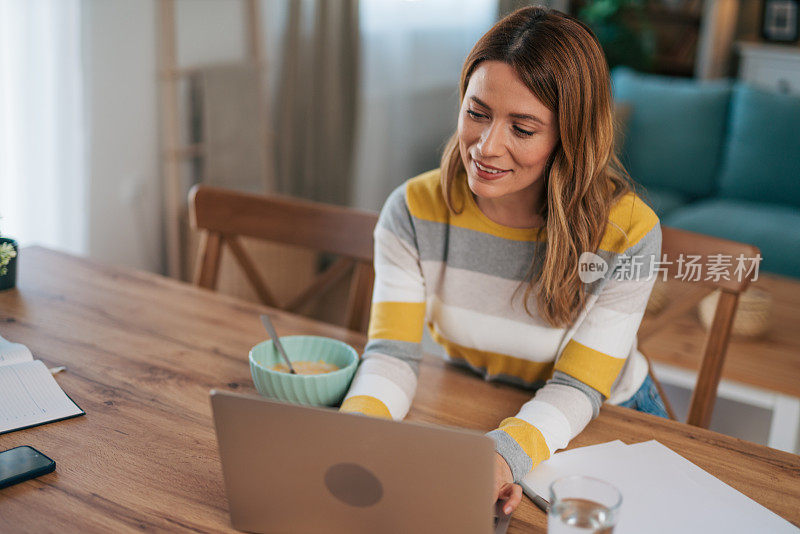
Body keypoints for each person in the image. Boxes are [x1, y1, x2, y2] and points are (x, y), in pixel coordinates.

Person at [340, 6, 667, 516]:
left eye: (523, 127)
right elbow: (393, 355)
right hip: (477, 400)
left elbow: (579, 386)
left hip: (608, 424)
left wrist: (501, 456)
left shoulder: (627, 231)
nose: (487, 147)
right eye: (477, 113)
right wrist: (357, 432)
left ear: (569, 138)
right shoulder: (413, 209)